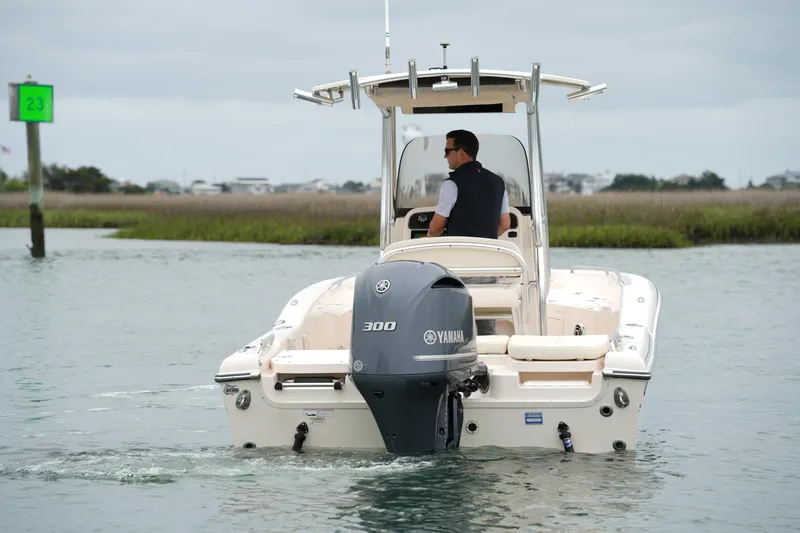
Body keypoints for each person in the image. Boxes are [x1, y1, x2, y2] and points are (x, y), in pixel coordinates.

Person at [426, 129, 510, 336]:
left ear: (461, 153)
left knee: (458, 318)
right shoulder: (498, 182)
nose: (444, 156)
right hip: (490, 264)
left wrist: (427, 245)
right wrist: (483, 243)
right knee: (486, 320)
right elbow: (505, 223)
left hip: (462, 265)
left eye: (447, 150)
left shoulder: (452, 184)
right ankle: (488, 357)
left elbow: (436, 228)